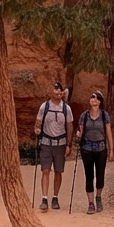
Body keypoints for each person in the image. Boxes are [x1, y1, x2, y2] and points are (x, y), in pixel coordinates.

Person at [33, 82, 73, 211]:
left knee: (58, 171)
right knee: (45, 170)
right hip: (46, 143)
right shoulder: (44, 107)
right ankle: (44, 198)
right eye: (56, 90)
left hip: (60, 144)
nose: (58, 92)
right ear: (52, 92)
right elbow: (38, 123)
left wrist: (69, 144)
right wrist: (37, 129)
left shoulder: (66, 108)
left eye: (60, 91)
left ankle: (55, 197)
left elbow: (69, 126)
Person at [74, 90, 114, 214]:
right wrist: (78, 135)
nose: (94, 99)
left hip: (101, 148)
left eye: (97, 98)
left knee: (100, 175)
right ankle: (91, 203)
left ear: (100, 102)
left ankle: (98, 197)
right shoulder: (84, 115)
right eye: (92, 97)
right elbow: (80, 131)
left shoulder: (104, 115)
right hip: (87, 148)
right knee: (89, 176)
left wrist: (112, 150)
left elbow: (108, 132)